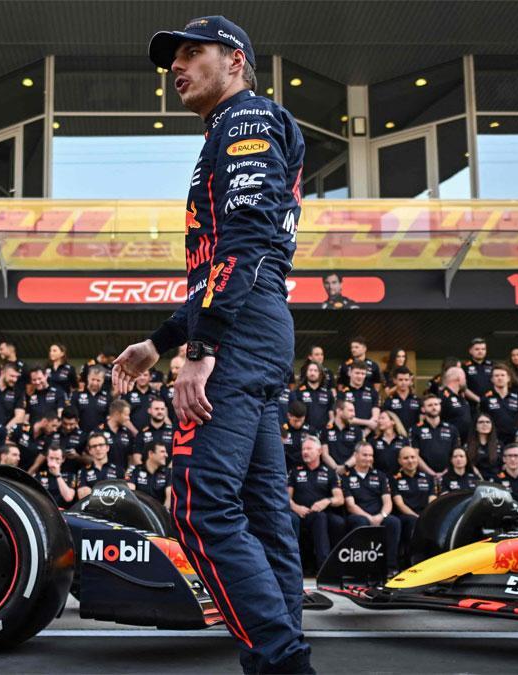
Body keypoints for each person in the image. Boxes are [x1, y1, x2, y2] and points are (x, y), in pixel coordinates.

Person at [111, 16, 310, 672]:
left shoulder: (246, 119)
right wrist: (159, 339)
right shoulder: (233, 126)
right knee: (259, 511)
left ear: (237, 62)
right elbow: (219, 268)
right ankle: (282, 659)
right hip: (255, 322)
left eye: (193, 53)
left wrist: (201, 350)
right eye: (175, 57)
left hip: (244, 329)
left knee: (198, 505)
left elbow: (246, 240)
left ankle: (282, 661)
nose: (177, 65)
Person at [342, 442, 401, 574]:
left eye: (371, 455)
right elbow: (350, 505)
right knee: (361, 522)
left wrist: (382, 516)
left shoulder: (380, 476)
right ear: (355, 456)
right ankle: (361, 568)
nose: (368, 458)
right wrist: (369, 518)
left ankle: (390, 568)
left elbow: (387, 502)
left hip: (379, 515)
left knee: (394, 522)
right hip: (358, 515)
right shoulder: (346, 477)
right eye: (365, 455)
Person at [288, 436, 345, 570]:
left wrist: (327, 501)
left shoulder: (329, 472)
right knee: (292, 519)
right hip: (300, 514)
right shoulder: (295, 471)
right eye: (303, 449)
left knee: (330, 519)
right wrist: (295, 507)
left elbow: (339, 499)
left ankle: (326, 568)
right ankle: (296, 566)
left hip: (320, 514)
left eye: (309, 448)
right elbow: (286, 496)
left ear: (319, 451)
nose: (305, 452)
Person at [391, 445, 436, 566]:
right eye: (406, 458)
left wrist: (425, 516)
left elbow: (432, 500)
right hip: (406, 516)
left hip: (425, 514)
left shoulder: (428, 478)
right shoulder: (394, 479)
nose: (410, 461)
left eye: (413, 457)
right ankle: (411, 563)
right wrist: (417, 517)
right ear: (399, 461)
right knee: (412, 521)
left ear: (417, 459)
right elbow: (400, 504)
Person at [410, 394, 460, 478]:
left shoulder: (452, 429)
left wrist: (445, 472)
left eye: (436, 404)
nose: (434, 407)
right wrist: (431, 473)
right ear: (423, 409)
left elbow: (456, 453)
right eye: (430, 405)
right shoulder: (415, 429)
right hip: (424, 475)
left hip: (448, 474)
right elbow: (415, 455)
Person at [478, 364, 518, 444]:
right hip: (493, 440)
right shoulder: (485, 399)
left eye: (502, 375)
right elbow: (481, 421)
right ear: (492, 379)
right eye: (496, 376)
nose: (500, 378)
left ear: (508, 378)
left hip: (513, 440)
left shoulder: (517, 399)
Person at [76, 433, 124, 500]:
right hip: (91, 509)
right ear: (89, 450)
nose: (98, 449)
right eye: (94, 446)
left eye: (101, 445)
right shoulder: (83, 471)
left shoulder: (118, 470)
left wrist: (93, 492)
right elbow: (82, 495)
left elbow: (123, 494)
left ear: (107, 447)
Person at [321, 399, 364, 473]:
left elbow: (358, 453)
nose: (353, 414)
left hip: (351, 472)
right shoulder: (326, 430)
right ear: (339, 411)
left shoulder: (357, 431)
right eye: (350, 410)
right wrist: (336, 468)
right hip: (330, 472)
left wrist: (345, 467)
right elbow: (324, 454)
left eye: (354, 411)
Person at [126, 441, 171, 508]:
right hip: (139, 512)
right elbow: (130, 495)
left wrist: (162, 516)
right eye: (162, 452)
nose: (166, 455)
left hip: (160, 514)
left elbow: (169, 499)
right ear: (151, 453)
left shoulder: (168, 473)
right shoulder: (133, 471)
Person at [95, 399, 136, 469]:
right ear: (117, 414)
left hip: (122, 477)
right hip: (104, 477)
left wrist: (129, 472)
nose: (128, 418)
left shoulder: (127, 433)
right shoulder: (99, 432)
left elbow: (131, 456)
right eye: (126, 415)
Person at [337, 362, 378, 430]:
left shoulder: (372, 392)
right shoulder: (342, 394)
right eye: (357, 373)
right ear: (350, 373)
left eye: (363, 374)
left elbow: (375, 418)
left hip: (369, 433)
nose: (360, 376)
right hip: (348, 432)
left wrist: (366, 432)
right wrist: (368, 423)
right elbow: (345, 417)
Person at [133, 399, 173, 468]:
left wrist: (168, 471)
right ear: (149, 410)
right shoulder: (142, 434)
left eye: (162, 409)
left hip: (169, 474)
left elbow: (178, 455)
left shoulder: (172, 432)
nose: (160, 411)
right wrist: (146, 471)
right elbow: (137, 457)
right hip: (147, 475)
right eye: (156, 409)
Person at [0, 362, 26, 427]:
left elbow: (20, 416)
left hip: (7, 433)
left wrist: (3, 431)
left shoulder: (18, 392)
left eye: (17, 377)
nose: (15, 380)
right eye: (12, 376)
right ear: (2, 372)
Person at [295, 361, 334, 431]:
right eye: (310, 370)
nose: (312, 373)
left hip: (324, 432)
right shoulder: (298, 392)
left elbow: (331, 413)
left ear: (320, 374)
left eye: (315, 371)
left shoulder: (328, 393)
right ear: (306, 373)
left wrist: (330, 423)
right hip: (304, 432)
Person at [438, 366, 473, 443]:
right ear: (459, 378)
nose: (466, 381)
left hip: (464, 443)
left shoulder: (461, 397)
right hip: (448, 441)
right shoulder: (443, 396)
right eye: (464, 378)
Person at [369, 410, 409, 476]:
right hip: (379, 478)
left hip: (399, 478)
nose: (379, 421)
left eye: (382, 418)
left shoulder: (403, 440)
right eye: (379, 418)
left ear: (392, 421)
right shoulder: (373, 441)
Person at [381, 366, 420, 432]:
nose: (403, 383)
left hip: (414, 437)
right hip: (396, 438)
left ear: (410, 381)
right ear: (394, 380)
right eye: (400, 380)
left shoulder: (417, 400)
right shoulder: (388, 401)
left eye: (406, 380)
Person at [71, 368, 110, 432]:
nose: (95, 383)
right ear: (88, 378)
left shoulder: (107, 397)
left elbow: (108, 418)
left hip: (99, 436)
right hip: (79, 434)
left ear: (103, 380)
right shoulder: (77, 395)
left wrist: (98, 431)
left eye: (98, 380)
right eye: (93, 379)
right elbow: (72, 415)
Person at [280, 401, 315, 472]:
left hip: (306, 470)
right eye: (295, 421)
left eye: (301, 421)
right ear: (289, 415)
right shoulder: (282, 430)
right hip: (285, 468)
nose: (298, 424)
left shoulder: (310, 431)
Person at [466, 413, 503, 479]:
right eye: (481, 422)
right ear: (475, 426)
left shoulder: (499, 445)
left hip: (495, 482)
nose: (485, 424)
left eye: (488, 422)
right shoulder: (468, 445)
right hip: (476, 480)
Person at [462, 338, 494, 405]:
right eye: (477, 349)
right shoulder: (464, 366)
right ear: (470, 351)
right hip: (471, 403)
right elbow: (462, 387)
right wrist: (478, 399)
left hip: (492, 402)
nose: (480, 351)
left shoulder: (493, 365)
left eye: (483, 349)